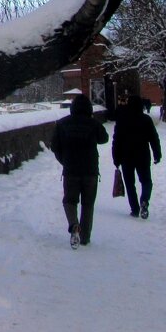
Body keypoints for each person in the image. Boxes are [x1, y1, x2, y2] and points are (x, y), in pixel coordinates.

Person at [51, 94, 109, 249]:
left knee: (69, 201)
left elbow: (54, 146)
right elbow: (104, 138)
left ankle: (74, 225)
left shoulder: (62, 124)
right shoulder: (93, 123)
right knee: (88, 204)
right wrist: (93, 121)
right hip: (90, 170)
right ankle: (85, 237)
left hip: (71, 170)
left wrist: (64, 160)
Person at [111, 94, 162, 219]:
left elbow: (116, 140)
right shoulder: (146, 120)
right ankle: (144, 200)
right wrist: (157, 154)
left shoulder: (122, 120)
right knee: (146, 181)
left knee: (129, 183)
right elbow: (154, 138)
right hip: (142, 155)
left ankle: (134, 209)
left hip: (126, 156)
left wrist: (116, 158)